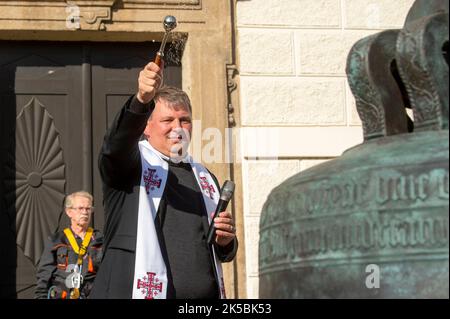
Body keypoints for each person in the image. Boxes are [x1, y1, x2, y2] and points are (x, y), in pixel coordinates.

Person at [90, 61, 238, 299]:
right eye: (167, 120)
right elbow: (114, 147)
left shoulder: (205, 177)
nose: (178, 128)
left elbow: (220, 252)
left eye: (184, 120)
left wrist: (225, 242)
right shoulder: (130, 165)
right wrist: (141, 100)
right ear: (146, 126)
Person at [35, 191, 103, 299]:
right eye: (80, 208)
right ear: (69, 212)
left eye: (88, 209)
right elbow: (44, 274)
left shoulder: (100, 240)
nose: (85, 212)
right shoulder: (56, 240)